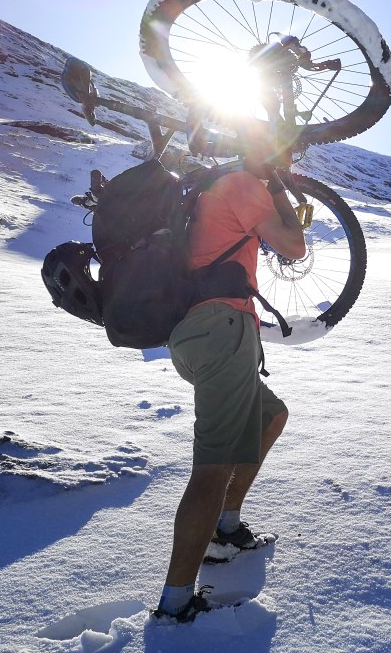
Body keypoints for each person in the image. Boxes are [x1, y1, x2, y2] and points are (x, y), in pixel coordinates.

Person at [154, 138, 306, 622]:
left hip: (199, 333)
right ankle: (176, 603)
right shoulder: (241, 185)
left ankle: (226, 527)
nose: (281, 167)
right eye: (278, 161)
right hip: (222, 328)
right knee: (213, 467)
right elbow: (294, 246)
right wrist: (277, 189)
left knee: (271, 415)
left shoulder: (210, 191)